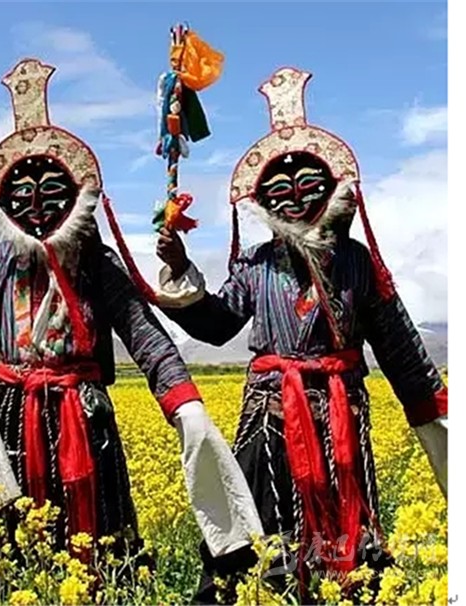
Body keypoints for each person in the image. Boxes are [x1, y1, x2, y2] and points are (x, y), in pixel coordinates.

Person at [0, 58, 262, 573]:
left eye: (52, 194)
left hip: (84, 411)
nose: (37, 208)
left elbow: (145, 337)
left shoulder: (98, 262)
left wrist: (183, 403)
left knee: (98, 534)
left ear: (77, 198)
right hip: (15, 413)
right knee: (15, 546)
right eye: (22, 197)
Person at [154, 66, 448, 603]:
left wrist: (439, 419)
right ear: (264, 201)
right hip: (269, 419)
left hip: (339, 420)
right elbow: (217, 325)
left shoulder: (358, 263)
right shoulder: (256, 265)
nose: (294, 199)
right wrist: (180, 268)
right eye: (279, 190)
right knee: (256, 544)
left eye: (308, 186)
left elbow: (401, 348)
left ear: (332, 189)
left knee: (347, 550)